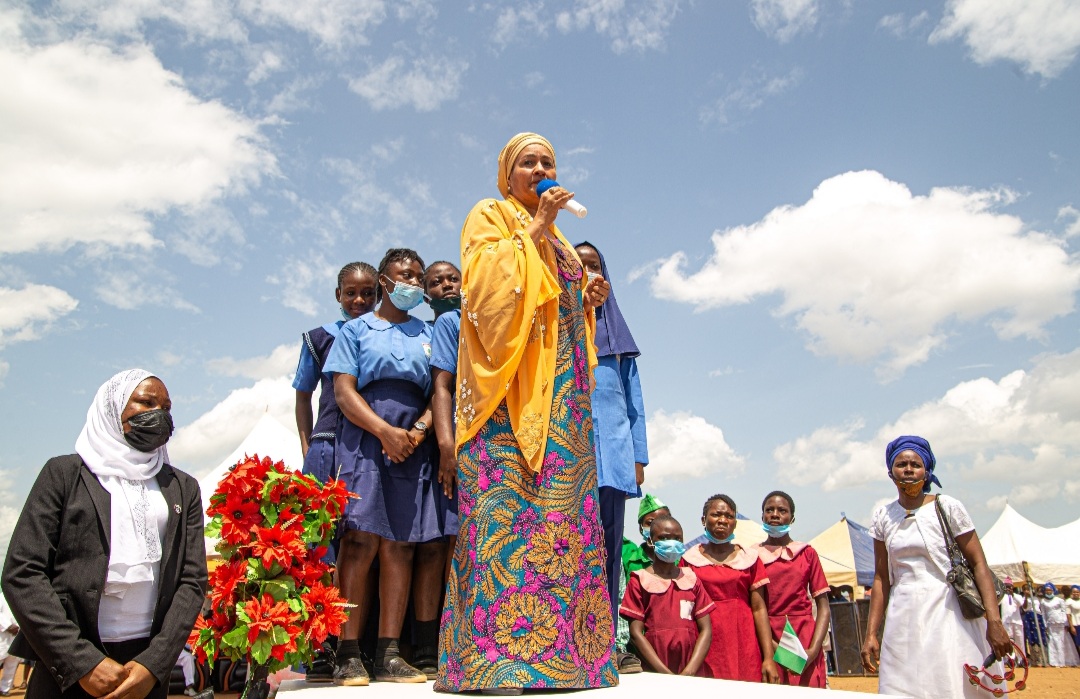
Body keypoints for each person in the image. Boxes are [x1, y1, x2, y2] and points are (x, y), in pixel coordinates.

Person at [435, 132, 616, 694]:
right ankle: (493, 665)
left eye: (549, 162)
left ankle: (571, 662)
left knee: (563, 528)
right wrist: (535, 224)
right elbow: (484, 291)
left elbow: (558, 318)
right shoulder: (492, 214)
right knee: (502, 524)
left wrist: (585, 303)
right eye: (528, 162)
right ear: (507, 173)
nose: (540, 169)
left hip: (563, 401)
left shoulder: (563, 242)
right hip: (506, 406)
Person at [2, 369, 207, 699]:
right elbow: (22, 573)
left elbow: (192, 579)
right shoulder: (65, 475)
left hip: (143, 672)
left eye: (167, 407)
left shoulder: (181, 488)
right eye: (146, 402)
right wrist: (80, 662)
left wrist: (154, 665)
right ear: (112, 409)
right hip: (69, 670)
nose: (160, 415)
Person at [325, 247, 438, 686]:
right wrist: (383, 432)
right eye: (400, 275)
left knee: (402, 544)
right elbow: (343, 391)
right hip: (365, 439)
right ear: (384, 282)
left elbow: (441, 388)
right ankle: (348, 653)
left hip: (415, 444)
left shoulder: (429, 331)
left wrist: (420, 430)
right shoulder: (355, 330)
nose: (409, 282)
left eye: (416, 275)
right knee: (359, 542)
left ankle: (389, 652)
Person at [861, 436, 1011, 698]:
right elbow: (881, 578)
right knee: (904, 685)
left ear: (927, 471)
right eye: (901, 464)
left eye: (915, 464)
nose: (908, 469)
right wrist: (871, 633)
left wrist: (994, 621)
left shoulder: (948, 507)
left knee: (949, 681)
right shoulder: (883, 516)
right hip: (902, 616)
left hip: (949, 611)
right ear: (890, 472)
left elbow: (979, 564)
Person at [574, 241, 649, 675]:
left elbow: (635, 400)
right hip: (571, 454)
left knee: (609, 547)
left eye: (594, 266)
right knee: (572, 544)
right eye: (579, 266)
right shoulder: (560, 325)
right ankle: (572, 637)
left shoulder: (618, 337)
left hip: (615, 455)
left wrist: (638, 454)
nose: (588, 273)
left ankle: (605, 640)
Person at [406, 260, 463, 680]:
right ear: (425, 294)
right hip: (440, 446)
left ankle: (458, 634)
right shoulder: (429, 331)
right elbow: (440, 388)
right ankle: (427, 643)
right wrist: (444, 442)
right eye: (435, 282)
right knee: (432, 545)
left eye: (452, 278)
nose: (445, 285)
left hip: (482, 445)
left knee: (461, 544)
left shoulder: (481, 318)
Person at [683, 494, 779, 683]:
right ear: (703, 520)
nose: (722, 520)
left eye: (728, 516)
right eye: (716, 515)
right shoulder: (688, 560)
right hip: (704, 640)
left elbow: (759, 609)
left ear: (735, 523)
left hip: (744, 640)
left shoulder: (749, 558)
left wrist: (768, 657)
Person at [751, 491, 830, 688]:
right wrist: (773, 648)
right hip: (767, 637)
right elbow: (754, 608)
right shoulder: (752, 556)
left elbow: (824, 608)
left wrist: (812, 651)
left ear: (792, 518)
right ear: (762, 516)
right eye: (769, 510)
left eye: (782, 510)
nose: (775, 514)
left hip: (805, 636)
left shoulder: (807, 553)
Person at [619, 515, 713, 676]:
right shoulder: (639, 580)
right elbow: (635, 633)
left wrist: (689, 671)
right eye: (664, 537)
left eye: (677, 538)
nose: (671, 542)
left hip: (691, 668)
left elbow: (706, 630)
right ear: (651, 541)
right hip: (655, 667)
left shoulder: (691, 579)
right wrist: (665, 674)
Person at [617, 494, 669, 673]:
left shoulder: (678, 562)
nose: (656, 526)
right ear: (640, 528)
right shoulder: (628, 554)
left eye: (663, 520)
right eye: (649, 522)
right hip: (636, 640)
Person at [1038, 583, 1079, 666]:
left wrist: (1066, 623)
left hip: (1061, 623)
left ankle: (1065, 661)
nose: (1049, 592)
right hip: (1051, 624)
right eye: (1047, 590)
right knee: (1053, 642)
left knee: (1063, 641)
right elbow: (1044, 614)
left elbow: (1064, 612)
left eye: (1050, 590)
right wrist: (1045, 625)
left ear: (1053, 590)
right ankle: (1055, 662)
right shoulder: (1043, 601)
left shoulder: (1059, 600)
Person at [0, 592, 20, 697]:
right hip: (2, 636)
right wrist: (8, 626)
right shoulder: (1, 596)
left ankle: (5, 688)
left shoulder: (21, 597)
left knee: (11, 665)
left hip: (16, 636)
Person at [1000, 578, 1026, 652]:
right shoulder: (1002, 597)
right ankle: (1011, 659)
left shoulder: (1018, 596)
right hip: (1006, 622)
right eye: (1006, 586)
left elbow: (1022, 604)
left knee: (1020, 641)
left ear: (1012, 587)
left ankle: (1021, 659)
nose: (1008, 588)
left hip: (1017, 622)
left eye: (1009, 586)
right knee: (1008, 641)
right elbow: (997, 603)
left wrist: (1013, 595)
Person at [1067, 586, 1080, 653]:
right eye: (1074, 592)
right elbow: (1068, 615)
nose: (1076, 593)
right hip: (1076, 624)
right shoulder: (1069, 601)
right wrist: (1071, 626)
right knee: (1078, 643)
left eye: (1077, 592)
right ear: (1071, 593)